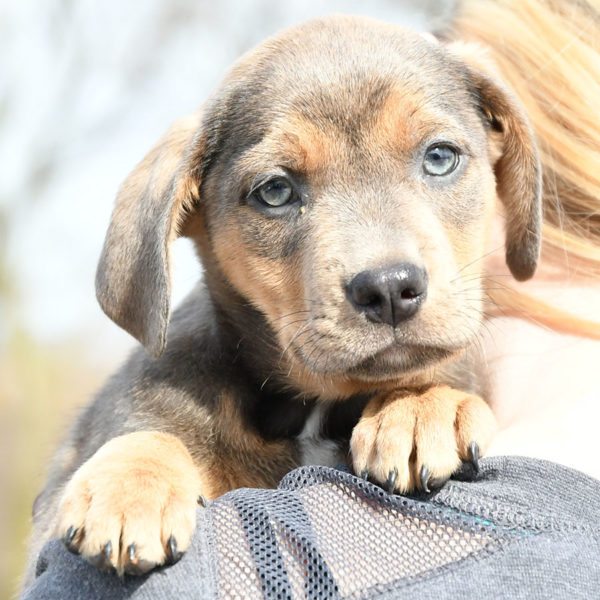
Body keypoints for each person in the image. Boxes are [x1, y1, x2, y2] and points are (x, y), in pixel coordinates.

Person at [21, 0, 600, 597]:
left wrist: (432, 398)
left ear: (503, 158)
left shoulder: (468, 421)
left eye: (439, 157)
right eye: (276, 191)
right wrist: (142, 460)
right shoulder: (162, 430)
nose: (384, 269)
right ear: (191, 211)